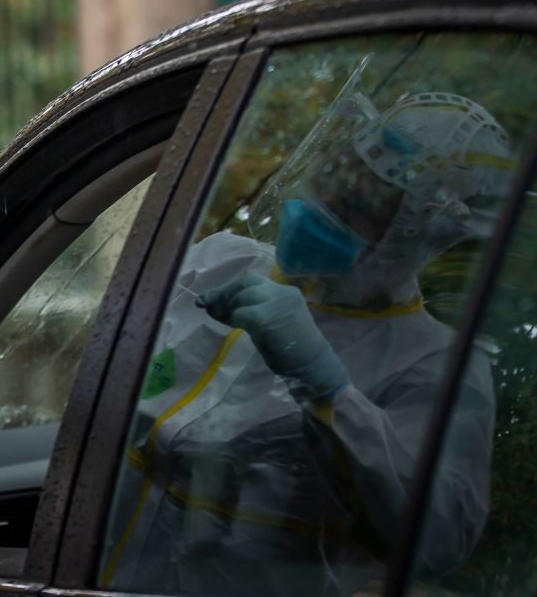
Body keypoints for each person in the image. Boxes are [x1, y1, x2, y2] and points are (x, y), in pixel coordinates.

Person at [101, 79, 513, 596]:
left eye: (362, 201)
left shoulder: (437, 364)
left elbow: (439, 540)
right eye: (338, 173)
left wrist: (327, 388)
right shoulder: (218, 262)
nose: (326, 201)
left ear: (419, 232)